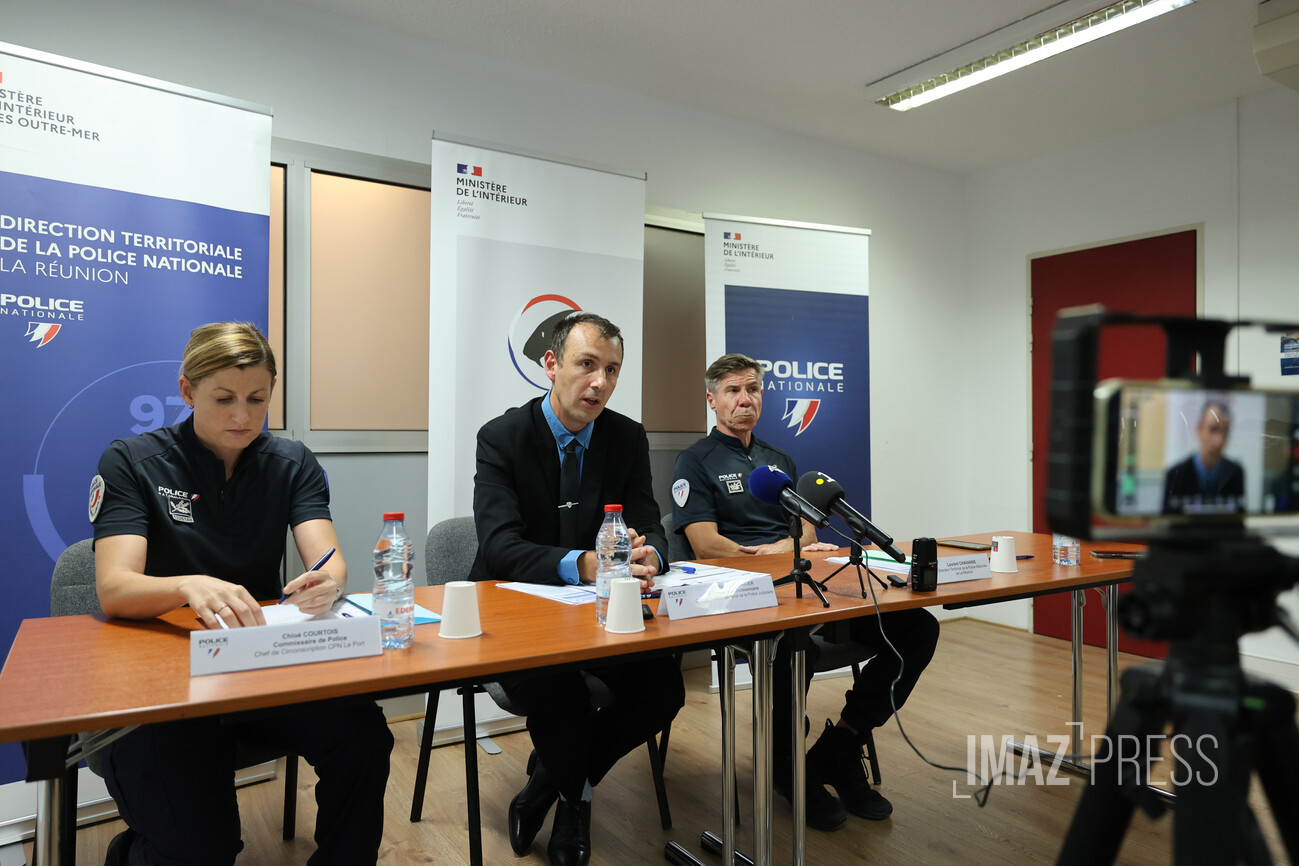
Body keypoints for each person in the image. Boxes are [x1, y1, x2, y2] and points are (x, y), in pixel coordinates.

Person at [90, 322, 392, 866]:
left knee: (363, 736)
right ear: (187, 392)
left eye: (257, 399)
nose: (243, 417)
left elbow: (329, 562)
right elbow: (114, 588)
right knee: (201, 844)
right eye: (224, 399)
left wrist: (326, 583)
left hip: (256, 665)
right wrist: (187, 584)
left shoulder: (291, 463)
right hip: (163, 680)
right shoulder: (133, 461)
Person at [671, 353, 939, 831]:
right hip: (744, 600)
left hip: (806, 589)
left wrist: (782, 549)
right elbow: (706, 544)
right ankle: (786, 766)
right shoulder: (695, 461)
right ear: (711, 399)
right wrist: (774, 554)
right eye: (733, 391)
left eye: (753, 389)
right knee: (798, 650)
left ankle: (842, 745)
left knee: (916, 629)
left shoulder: (778, 460)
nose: (745, 400)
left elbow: (809, 532)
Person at [469, 312, 684, 866]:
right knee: (560, 692)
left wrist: (651, 555)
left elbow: (650, 522)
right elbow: (500, 546)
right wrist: (585, 564)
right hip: (512, 612)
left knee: (663, 689)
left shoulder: (626, 436)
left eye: (611, 370)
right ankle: (574, 804)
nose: (599, 383)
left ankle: (549, 780)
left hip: (599, 614)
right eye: (586, 365)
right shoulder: (502, 437)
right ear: (551, 364)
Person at [1163, 398, 1245, 514]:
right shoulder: (1175, 476)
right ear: (1199, 430)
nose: (1218, 440)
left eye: (1225, 432)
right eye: (1213, 429)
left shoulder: (1235, 474)